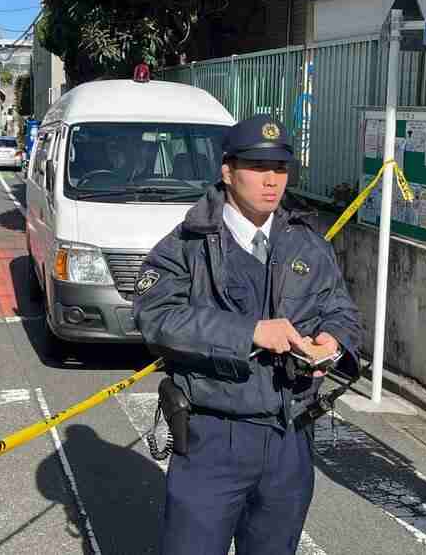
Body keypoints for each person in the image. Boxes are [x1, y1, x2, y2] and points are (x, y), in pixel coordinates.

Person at [133, 113, 363, 555]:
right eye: (257, 167)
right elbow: (155, 315)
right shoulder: (188, 244)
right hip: (213, 436)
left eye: (279, 168)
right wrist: (250, 332)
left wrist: (333, 340)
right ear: (227, 171)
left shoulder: (307, 242)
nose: (271, 180)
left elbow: (342, 309)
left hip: (289, 437)